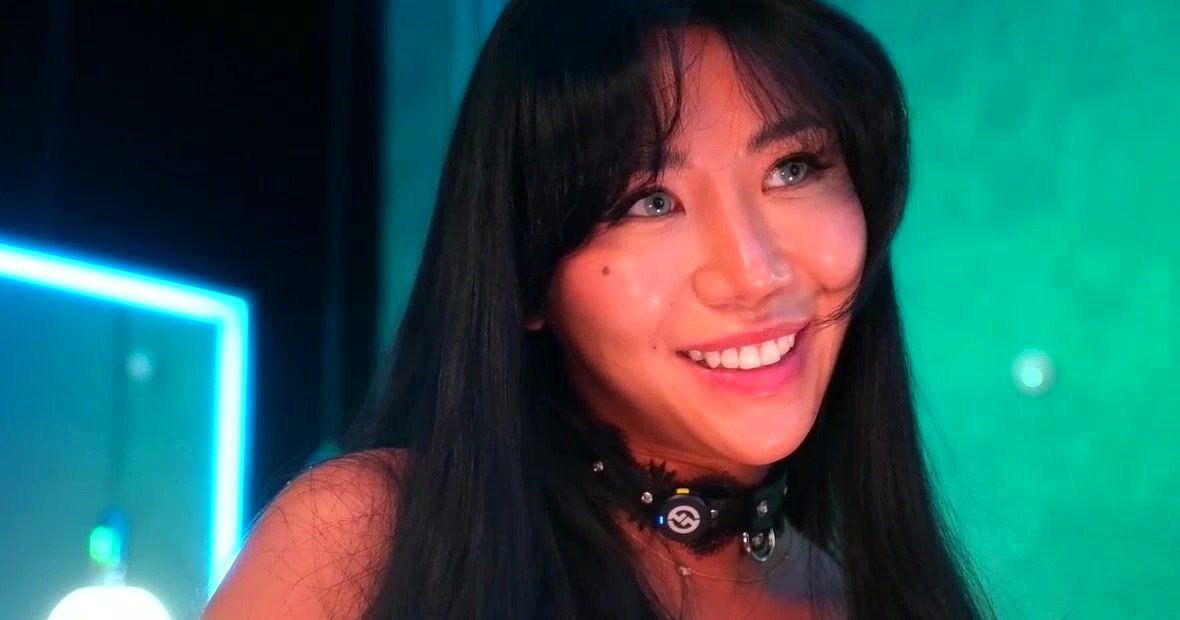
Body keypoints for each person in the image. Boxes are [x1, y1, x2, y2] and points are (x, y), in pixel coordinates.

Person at [205, 0, 994, 618]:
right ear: (526, 278)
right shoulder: (370, 538)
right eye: (649, 201)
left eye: (792, 168)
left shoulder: (877, 601)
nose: (754, 274)